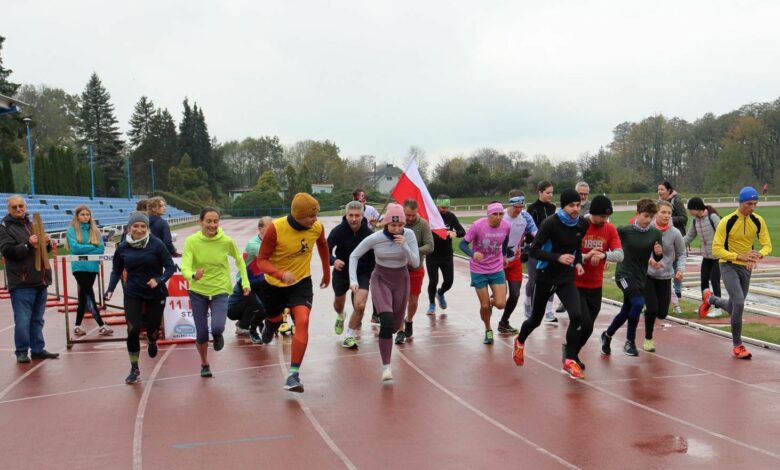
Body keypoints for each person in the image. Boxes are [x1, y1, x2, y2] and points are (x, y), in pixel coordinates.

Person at [250, 192, 331, 393]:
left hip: (301, 282)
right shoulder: (276, 229)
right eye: (310, 217)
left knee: (302, 320)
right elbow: (261, 260)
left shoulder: (317, 228)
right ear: (297, 215)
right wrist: (279, 274)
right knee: (276, 319)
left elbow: (322, 245)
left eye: (316, 215)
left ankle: (293, 374)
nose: (315, 220)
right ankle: (270, 325)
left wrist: (327, 272)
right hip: (274, 285)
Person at [512, 189, 588, 379]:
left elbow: (576, 247)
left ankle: (569, 360)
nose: (575, 209)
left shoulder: (582, 223)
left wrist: (577, 262)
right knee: (535, 320)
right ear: (563, 206)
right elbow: (533, 250)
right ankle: (520, 341)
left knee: (577, 316)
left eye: (578, 205)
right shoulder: (550, 223)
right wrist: (558, 257)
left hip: (566, 277)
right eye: (571, 205)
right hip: (545, 276)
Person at [349, 203, 419, 381]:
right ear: (386, 223)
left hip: (401, 279)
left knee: (395, 325)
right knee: (386, 319)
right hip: (381, 279)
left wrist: (405, 246)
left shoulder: (409, 235)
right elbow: (354, 255)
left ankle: (392, 333)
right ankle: (386, 367)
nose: (397, 229)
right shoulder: (376, 237)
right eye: (393, 225)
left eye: (400, 225)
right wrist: (353, 280)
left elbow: (416, 263)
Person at [700, 186, 772, 359]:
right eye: (749, 204)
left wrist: (757, 256)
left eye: (755, 204)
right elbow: (716, 250)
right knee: (739, 303)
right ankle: (737, 345)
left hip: (746, 267)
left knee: (734, 307)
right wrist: (739, 256)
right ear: (740, 202)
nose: (752, 207)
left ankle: (710, 299)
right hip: (728, 265)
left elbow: (767, 244)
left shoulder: (758, 220)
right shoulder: (727, 221)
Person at [105, 212, 175, 383]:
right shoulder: (122, 247)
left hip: (154, 293)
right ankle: (134, 368)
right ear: (129, 228)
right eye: (135, 226)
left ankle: (152, 341)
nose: (139, 229)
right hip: (132, 292)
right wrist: (110, 289)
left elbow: (170, 267)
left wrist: (158, 280)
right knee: (133, 329)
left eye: (143, 226)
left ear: (147, 228)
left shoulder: (156, 244)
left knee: (152, 330)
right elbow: (116, 270)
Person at [181, 207, 250, 377]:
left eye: (215, 221)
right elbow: (185, 266)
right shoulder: (192, 241)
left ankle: (218, 335)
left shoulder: (226, 241)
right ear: (201, 222)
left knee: (217, 326)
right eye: (208, 221)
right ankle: (204, 363)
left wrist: (245, 282)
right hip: (198, 290)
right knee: (202, 333)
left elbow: (240, 261)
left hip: (220, 288)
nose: (212, 225)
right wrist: (192, 275)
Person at [600, 199, 663, 357]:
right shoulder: (624, 230)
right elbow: (610, 244)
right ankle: (630, 341)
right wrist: (606, 258)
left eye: (651, 217)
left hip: (640, 277)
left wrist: (658, 253)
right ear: (637, 214)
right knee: (638, 303)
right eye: (645, 216)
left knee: (626, 311)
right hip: (624, 274)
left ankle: (607, 336)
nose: (648, 220)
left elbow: (658, 256)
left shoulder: (655, 233)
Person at [0, 195, 59, 363]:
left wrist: (46, 242)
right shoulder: (4, 227)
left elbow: (42, 251)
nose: (19, 209)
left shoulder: (33, 223)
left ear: (25, 207)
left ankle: (38, 349)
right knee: (23, 320)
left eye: (21, 206)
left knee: (38, 319)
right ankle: (21, 351)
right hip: (22, 281)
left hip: (40, 279)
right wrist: (27, 243)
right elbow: (8, 251)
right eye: (14, 207)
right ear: (9, 209)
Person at [572, 196, 622, 367]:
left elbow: (620, 254)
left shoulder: (610, 229)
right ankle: (570, 356)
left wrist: (604, 255)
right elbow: (569, 253)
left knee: (589, 327)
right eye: (601, 216)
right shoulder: (579, 225)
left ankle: (572, 352)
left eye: (606, 217)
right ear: (593, 213)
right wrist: (587, 256)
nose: (604, 220)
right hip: (575, 283)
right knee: (583, 322)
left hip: (595, 285)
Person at [459, 203, 510, 345]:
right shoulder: (477, 226)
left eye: (501, 214)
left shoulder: (506, 226)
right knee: (485, 306)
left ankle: (488, 304)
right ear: (488, 215)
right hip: (479, 269)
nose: (498, 217)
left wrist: (504, 255)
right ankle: (488, 329)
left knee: (500, 304)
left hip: (496, 267)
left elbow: (505, 240)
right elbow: (462, 244)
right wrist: (472, 253)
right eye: (495, 214)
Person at [328, 201, 375, 349]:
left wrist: (373, 272)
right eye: (351, 215)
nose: (354, 219)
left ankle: (349, 335)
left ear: (362, 216)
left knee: (360, 305)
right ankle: (341, 315)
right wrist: (334, 261)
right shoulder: (338, 231)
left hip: (362, 272)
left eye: (357, 216)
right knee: (338, 304)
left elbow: (375, 255)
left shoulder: (369, 233)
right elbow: (326, 251)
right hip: (342, 271)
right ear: (346, 215)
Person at [643, 201, 686, 352]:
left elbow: (681, 254)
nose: (666, 215)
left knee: (662, 313)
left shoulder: (675, 233)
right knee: (652, 308)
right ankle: (648, 339)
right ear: (656, 213)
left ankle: (648, 309)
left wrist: (680, 270)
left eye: (669, 213)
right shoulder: (648, 229)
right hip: (647, 274)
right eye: (663, 212)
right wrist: (650, 261)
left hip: (666, 276)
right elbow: (638, 250)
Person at [66, 205, 113, 337]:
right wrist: (92, 246)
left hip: (92, 267)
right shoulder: (72, 230)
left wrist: (87, 247)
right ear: (77, 216)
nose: (85, 217)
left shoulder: (95, 231)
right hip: (79, 267)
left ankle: (76, 326)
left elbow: (101, 249)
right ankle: (102, 325)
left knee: (83, 297)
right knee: (89, 295)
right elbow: (75, 249)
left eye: (88, 214)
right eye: (82, 214)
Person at [227, 216, 272, 343]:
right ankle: (251, 329)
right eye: (269, 228)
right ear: (260, 229)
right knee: (260, 308)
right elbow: (273, 256)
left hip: (260, 282)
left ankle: (250, 324)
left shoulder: (270, 240)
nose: (272, 230)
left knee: (264, 305)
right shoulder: (254, 245)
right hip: (246, 282)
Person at [498, 190, 537, 334]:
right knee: (500, 298)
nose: (519, 210)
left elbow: (536, 235)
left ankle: (504, 322)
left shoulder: (526, 217)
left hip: (514, 260)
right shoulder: (500, 216)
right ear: (510, 204)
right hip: (498, 261)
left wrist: (529, 249)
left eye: (521, 206)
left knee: (514, 294)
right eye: (516, 207)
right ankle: (488, 303)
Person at [395, 198, 433, 344]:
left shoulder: (423, 224)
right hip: (398, 268)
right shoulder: (397, 223)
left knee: (413, 299)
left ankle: (409, 320)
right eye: (407, 215)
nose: (410, 218)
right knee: (399, 301)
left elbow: (430, 246)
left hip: (416, 268)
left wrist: (412, 252)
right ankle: (400, 330)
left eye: (412, 215)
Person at [425, 195, 465, 315]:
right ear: (437, 206)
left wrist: (454, 233)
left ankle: (440, 293)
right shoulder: (430, 217)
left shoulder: (451, 216)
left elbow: (462, 231)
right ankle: (431, 304)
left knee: (449, 281)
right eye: (442, 207)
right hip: (432, 254)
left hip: (447, 254)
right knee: (433, 280)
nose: (445, 210)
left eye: (447, 207)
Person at [684, 197, 723, 318]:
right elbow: (689, 236)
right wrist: (676, 245)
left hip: (718, 256)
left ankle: (718, 308)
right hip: (706, 256)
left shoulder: (713, 217)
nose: (689, 212)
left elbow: (724, 233)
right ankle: (705, 305)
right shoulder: (695, 220)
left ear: (696, 208)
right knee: (704, 280)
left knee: (715, 281)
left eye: (690, 209)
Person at [525, 181, 557, 322]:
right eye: (548, 192)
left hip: (549, 249)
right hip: (535, 248)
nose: (550, 195)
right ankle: (527, 302)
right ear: (540, 192)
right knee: (533, 280)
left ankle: (549, 311)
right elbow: (528, 230)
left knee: (551, 279)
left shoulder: (553, 208)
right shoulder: (532, 208)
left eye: (552, 192)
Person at [658, 181, 688, 302]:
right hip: (663, 236)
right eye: (658, 189)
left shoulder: (676, 201)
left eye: (662, 189)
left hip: (676, 236)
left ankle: (677, 292)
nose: (659, 192)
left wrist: (669, 218)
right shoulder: (659, 203)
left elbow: (684, 218)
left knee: (676, 265)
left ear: (669, 190)